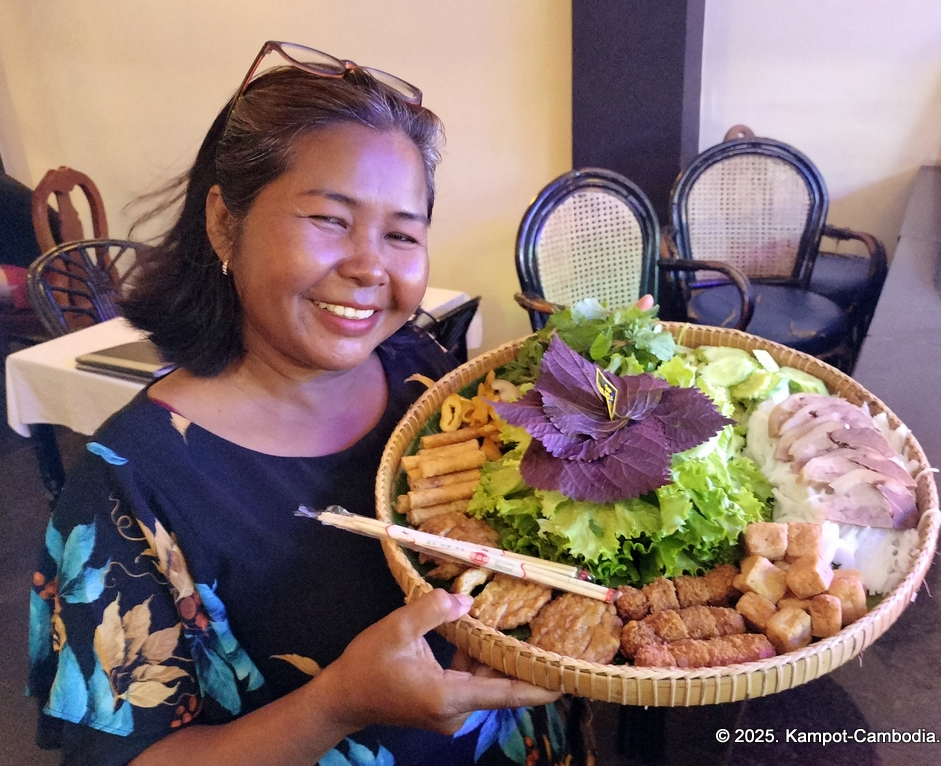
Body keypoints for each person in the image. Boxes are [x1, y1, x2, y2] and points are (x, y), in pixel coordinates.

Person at [27, 42, 581, 766]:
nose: (370, 265)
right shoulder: (128, 484)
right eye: (329, 219)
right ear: (225, 223)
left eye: (402, 234)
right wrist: (337, 702)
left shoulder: (426, 378)